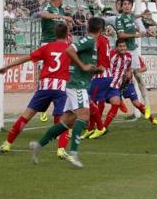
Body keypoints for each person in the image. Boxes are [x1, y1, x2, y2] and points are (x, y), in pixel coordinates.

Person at [29, 17, 105, 169]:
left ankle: (38, 145)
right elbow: (69, 50)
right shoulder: (89, 41)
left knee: (66, 122)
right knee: (84, 115)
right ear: (101, 30)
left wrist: (95, 69)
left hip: (78, 84)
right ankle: (74, 154)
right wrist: (83, 66)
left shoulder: (92, 44)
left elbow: (83, 64)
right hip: (77, 85)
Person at [0, 23, 72, 156]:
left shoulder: (47, 47)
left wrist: (7, 66)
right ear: (67, 34)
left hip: (44, 86)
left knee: (26, 116)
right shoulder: (70, 49)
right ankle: (61, 149)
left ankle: (7, 144)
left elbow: (27, 58)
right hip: (61, 87)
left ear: (55, 34)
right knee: (62, 119)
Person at [83, 29, 113, 139]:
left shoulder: (98, 40)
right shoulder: (105, 39)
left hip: (100, 75)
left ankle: (98, 128)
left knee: (91, 102)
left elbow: (92, 54)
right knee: (96, 101)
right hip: (106, 74)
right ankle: (92, 128)